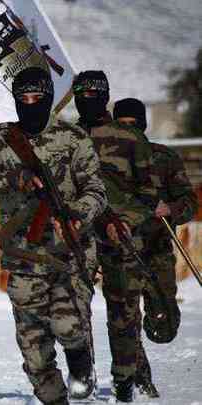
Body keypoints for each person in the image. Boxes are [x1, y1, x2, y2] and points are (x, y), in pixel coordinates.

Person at [0, 67, 106, 405]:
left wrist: (76, 214)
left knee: (67, 322)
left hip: (70, 252)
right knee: (35, 357)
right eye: (23, 99)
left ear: (48, 99)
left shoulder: (73, 138)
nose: (29, 105)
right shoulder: (1, 140)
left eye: (36, 98)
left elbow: (96, 191)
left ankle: (82, 364)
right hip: (25, 258)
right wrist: (13, 178)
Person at [74, 72, 158, 402]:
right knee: (74, 311)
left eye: (95, 92)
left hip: (121, 238)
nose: (88, 97)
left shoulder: (129, 138)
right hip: (78, 238)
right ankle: (82, 377)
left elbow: (149, 194)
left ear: (106, 95)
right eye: (82, 92)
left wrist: (123, 222)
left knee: (123, 313)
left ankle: (125, 379)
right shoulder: (67, 138)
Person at [113, 98, 199, 398]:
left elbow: (189, 204)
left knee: (164, 329)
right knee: (126, 321)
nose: (128, 131)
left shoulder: (164, 158)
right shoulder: (107, 163)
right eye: (121, 125)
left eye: (132, 125)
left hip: (158, 250)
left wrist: (170, 209)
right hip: (122, 254)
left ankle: (159, 323)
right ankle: (139, 378)